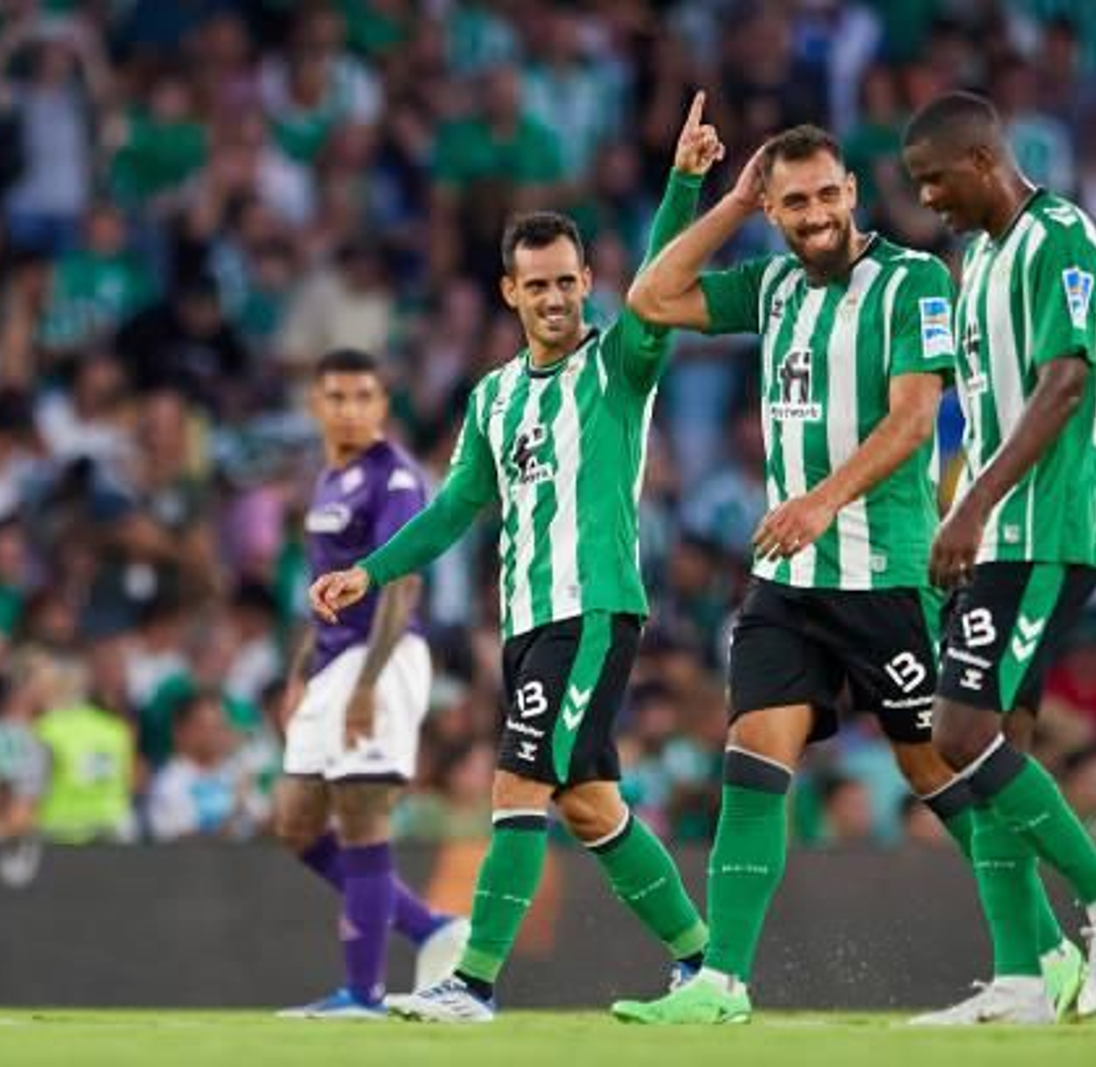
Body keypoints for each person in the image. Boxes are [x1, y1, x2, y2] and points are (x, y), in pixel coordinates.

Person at [609, 121, 1078, 1026]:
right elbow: (651, 297)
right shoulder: (774, 283)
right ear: (775, 210)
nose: (814, 215)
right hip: (790, 585)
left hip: (887, 577)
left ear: (853, 191)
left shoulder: (913, 282)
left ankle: (1042, 949)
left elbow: (913, 421)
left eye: (827, 194)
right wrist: (727, 201)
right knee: (751, 762)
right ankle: (724, 981)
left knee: (943, 773)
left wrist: (822, 500)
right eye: (792, 201)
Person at [310, 94, 722, 1023]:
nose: (554, 298)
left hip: (592, 607)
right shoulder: (494, 398)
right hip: (530, 622)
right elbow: (457, 505)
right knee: (589, 806)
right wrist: (369, 570)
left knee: (519, 781)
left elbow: (659, 280)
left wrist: (684, 180)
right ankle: (706, 966)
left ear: (587, 282)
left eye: (568, 282)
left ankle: (474, 980)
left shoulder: (620, 364)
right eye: (536, 285)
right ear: (510, 292)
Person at [900, 91, 1096, 1024]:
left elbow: (1063, 385)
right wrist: (955, 506)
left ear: (981, 160)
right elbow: (985, 408)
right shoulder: (974, 263)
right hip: (995, 531)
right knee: (994, 746)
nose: (927, 197)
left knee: (957, 736)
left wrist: (970, 506)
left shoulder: (1064, 241)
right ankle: (1020, 975)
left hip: (1048, 525)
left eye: (934, 178)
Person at [273, 347, 467, 1020]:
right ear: (316, 404)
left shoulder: (396, 478)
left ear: (383, 404)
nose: (350, 408)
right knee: (296, 821)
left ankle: (364, 993)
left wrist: (367, 683)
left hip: (380, 657)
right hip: (331, 661)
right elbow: (324, 590)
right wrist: (304, 670)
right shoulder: (328, 479)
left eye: (363, 396)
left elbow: (403, 579)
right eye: (337, 396)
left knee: (360, 813)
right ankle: (430, 927)